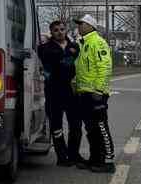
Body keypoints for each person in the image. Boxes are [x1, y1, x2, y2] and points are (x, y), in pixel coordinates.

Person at [73, 14, 115, 173]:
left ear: (91, 26)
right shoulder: (82, 43)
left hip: (96, 94)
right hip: (84, 93)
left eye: (82, 24)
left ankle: (108, 161)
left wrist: (99, 90)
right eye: (78, 24)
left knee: (101, 127)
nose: (79, 26)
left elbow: (105, 67)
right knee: (91, 129)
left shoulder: (98, 42)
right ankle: (95, 159)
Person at [37, 19, 82, 167]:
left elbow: (69, 62)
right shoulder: (44, 48)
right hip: (53, 91)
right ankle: (62, 157)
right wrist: (63, 61)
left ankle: (74, 155)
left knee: (75, 125)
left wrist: (62, 62)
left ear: (66, 30)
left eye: (62, 29)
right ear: (51, 32)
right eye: (56, 30)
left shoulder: (74, 46)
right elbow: (54, 63)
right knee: (56, 126)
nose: (59, 32)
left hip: (71, 91)